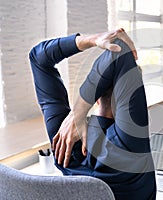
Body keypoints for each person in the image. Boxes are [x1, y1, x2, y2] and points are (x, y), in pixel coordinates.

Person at [29, 29, 156, 200]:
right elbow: (118, 53)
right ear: (133, 103)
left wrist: (92, 40)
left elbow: (38, 58)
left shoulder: (64, 141)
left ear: (96, 100)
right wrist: (78, 111)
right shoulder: (131, 144)